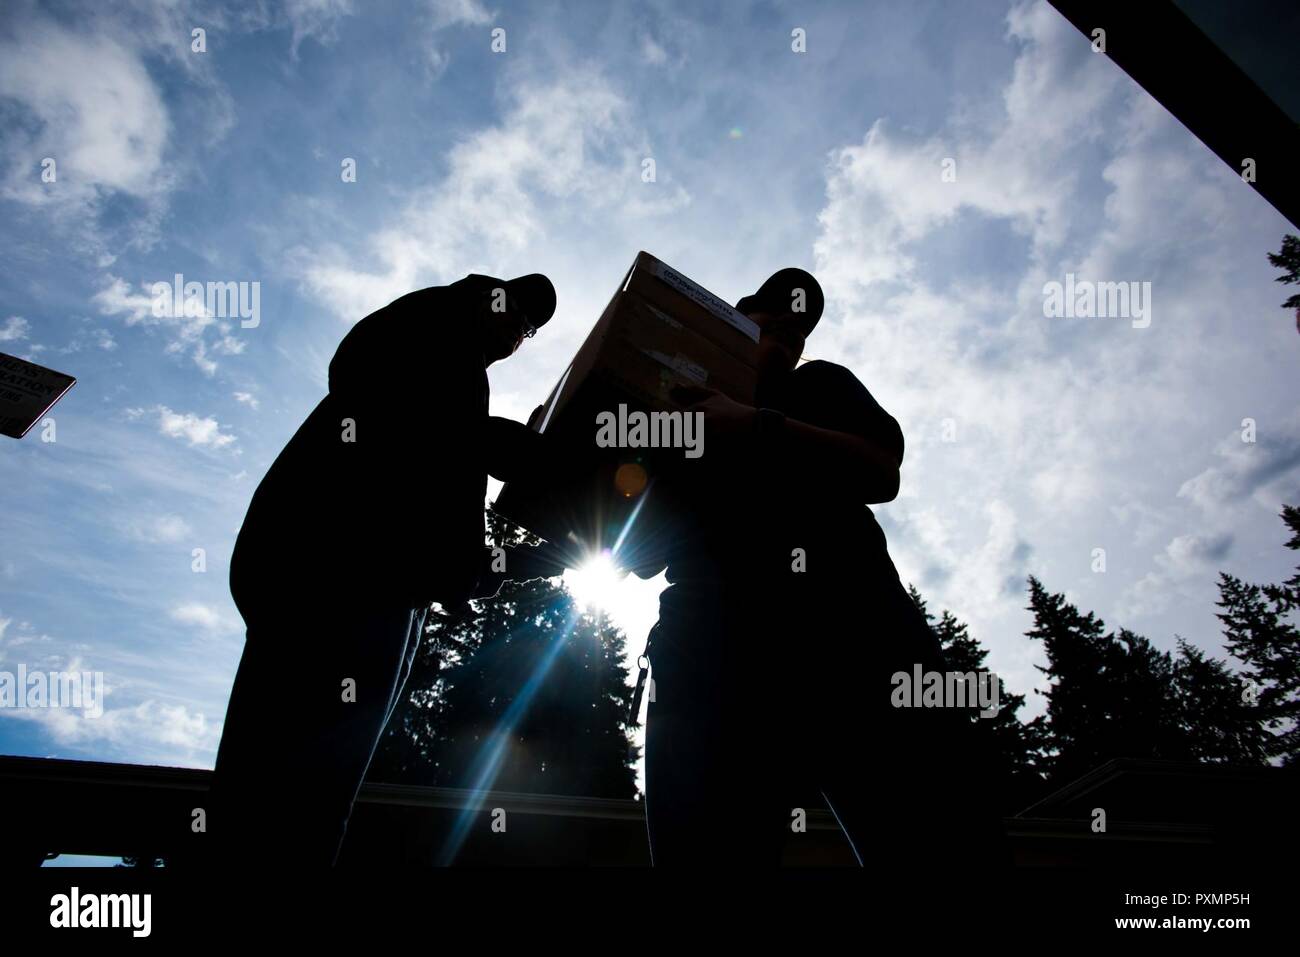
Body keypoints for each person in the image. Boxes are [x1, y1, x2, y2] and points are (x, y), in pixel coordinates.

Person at [629, 267, 1006, 868]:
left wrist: (756, 425)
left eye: (799, 325)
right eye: (766, 311)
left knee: (938, 846)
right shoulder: (673, 417)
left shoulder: (818, 384)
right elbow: (636, 555)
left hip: (855, 638)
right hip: (709, 652)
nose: (788, 324)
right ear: (728, 320)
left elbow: (880, 471)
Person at [205, 272, 565, 868]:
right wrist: (497, 445)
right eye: (511, 310)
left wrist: (523, 560)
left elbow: (446, 551)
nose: (515, 332)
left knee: (308, 798)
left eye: (528, 329)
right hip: (330, 581)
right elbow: (390, 410)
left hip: (371, 588)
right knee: (291, 800)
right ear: (481, 295)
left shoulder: (458, 379)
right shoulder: (425, 337)